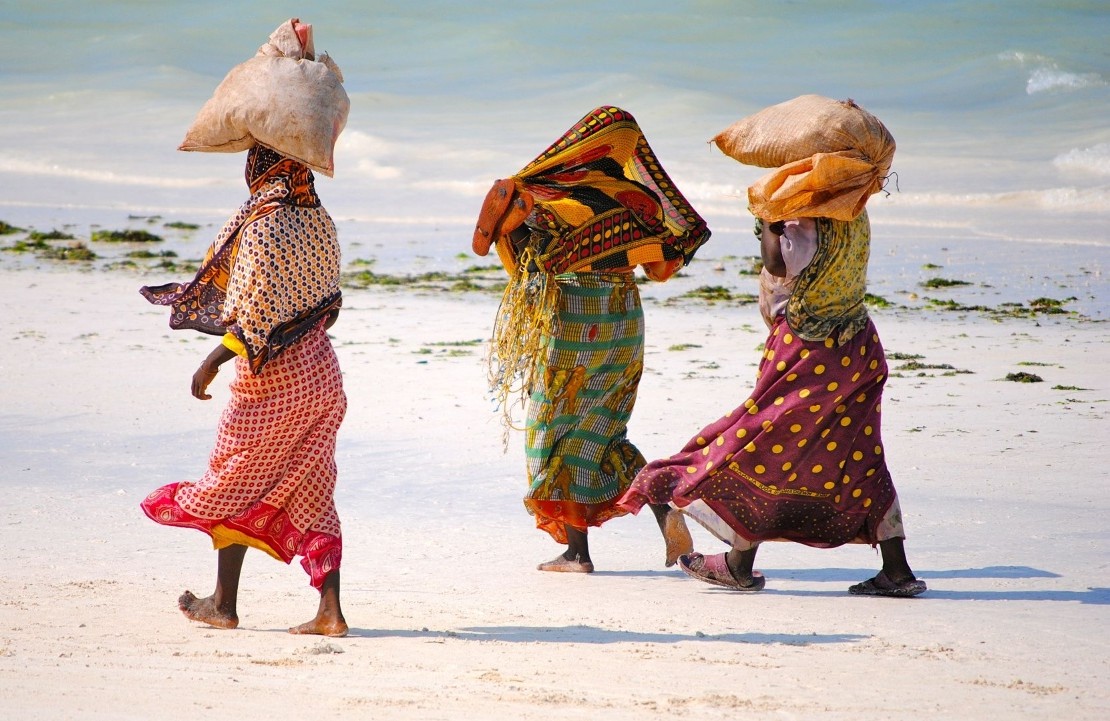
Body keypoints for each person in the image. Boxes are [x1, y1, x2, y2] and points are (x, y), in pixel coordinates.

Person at [139, 20, 351, 634]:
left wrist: (210, 361)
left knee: (232, 481)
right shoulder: (321, 220)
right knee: (314, 488)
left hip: (273, 380)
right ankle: (329, 613)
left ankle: (224, 606)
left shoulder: (261, 226)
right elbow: (326, 300)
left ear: (259, 167)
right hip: (322, 374)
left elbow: (254, 317)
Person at [619, 209, 926, 596]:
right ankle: (896, 571)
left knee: (758, 444)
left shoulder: (800, 219)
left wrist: (769, 223)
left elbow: (777, 262)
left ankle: (737, 563)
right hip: (859, 343)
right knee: (861, 456)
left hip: (809, 349)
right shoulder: (853, 211)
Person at [474, 106, 712, 573]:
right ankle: (666, 510)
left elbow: (502, 249)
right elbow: (662, 266)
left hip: (572, 325)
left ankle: (577, 553)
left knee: (555, 433)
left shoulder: (545, 196)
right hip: (623, 322)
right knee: (604, 432)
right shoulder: (635, 200)